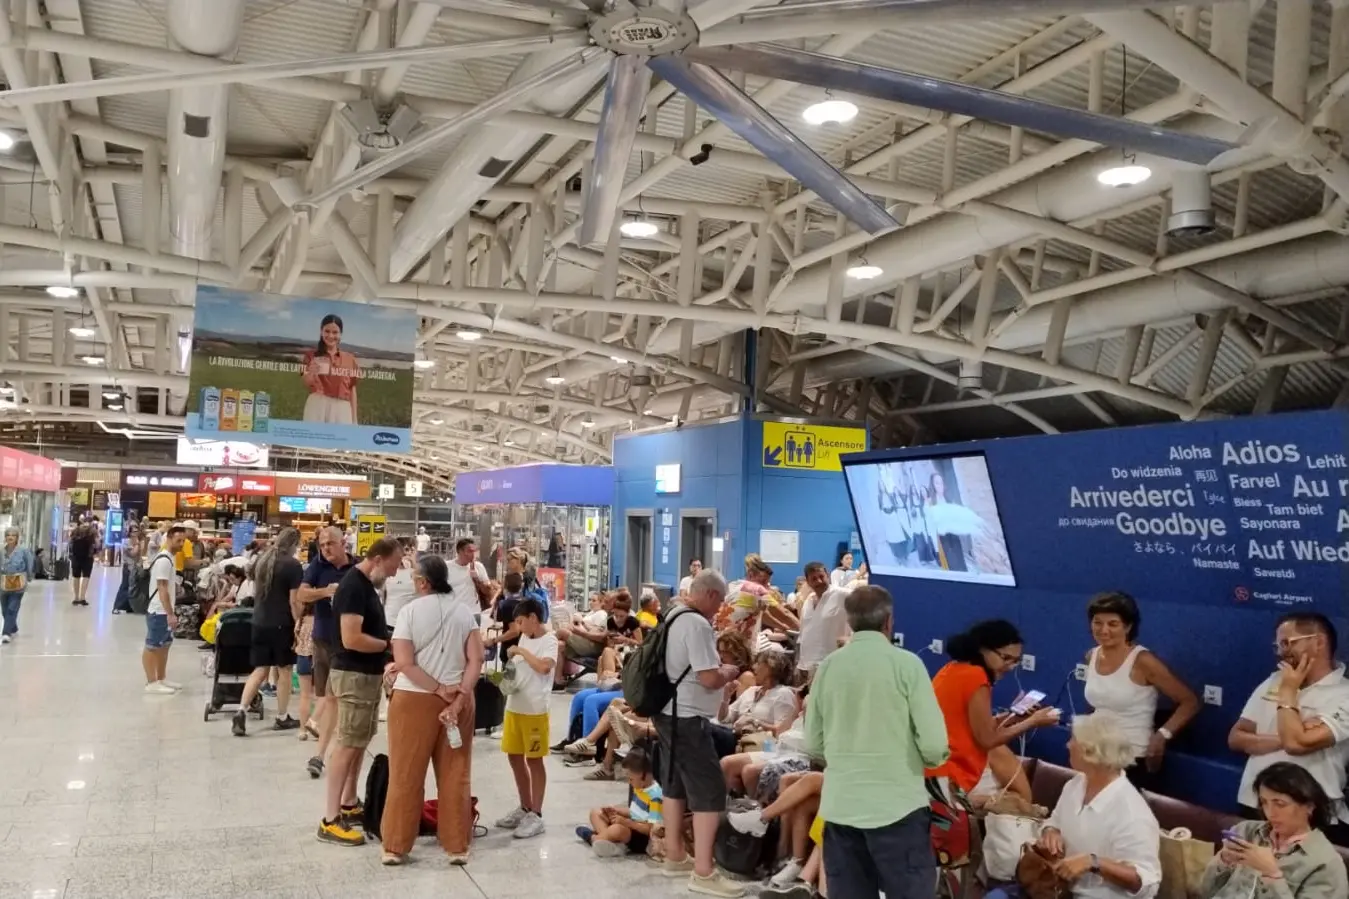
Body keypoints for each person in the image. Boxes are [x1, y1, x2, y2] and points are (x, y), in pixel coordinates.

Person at [806, 585, 950, 899]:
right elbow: (934, 745)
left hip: (841, 808)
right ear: (888, 622)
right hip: (898, 809)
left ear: (850, 622)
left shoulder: (829, 667)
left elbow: (813, 743)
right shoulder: (907, 665)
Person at [984, 714, 1161, 899]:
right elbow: (1054, 821)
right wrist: (1051, 832)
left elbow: (1147, 884)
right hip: (1054, 889)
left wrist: (1093, 862)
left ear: (1091, 751)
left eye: (1073, 739)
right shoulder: (1075, 784)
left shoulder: (1132, 813)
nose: (1068, 745)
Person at [380, 554, 484, 866]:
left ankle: (396, 845)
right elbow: (476, 660)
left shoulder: (409, 612)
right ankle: (457, 845)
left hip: (414, 699)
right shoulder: (464, 612)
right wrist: (459, 697)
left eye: (414, 578)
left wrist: (436, 688)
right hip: (458, 702)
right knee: (456, 773)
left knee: (406, 773)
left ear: (424, 582)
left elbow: (405, 663)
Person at [654, 568, 747, 898]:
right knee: (710, 790)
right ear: (710, 595)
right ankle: (704, 872)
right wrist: (730, 670)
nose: (720, 607)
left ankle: (674, 852)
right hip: (689, 718)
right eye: (720, 600)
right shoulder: (696, 623)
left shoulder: (673, 613)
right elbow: (708, 677)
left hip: (667, 713)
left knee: (674, 784)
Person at [1229, 612, 1349, 844]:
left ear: (1319, 642)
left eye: (1287, 643)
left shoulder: (1344, 694)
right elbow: (1236, 737)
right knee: (1249, 875)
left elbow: (1297, 744)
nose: (1281, 652)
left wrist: (1287, 692)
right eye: (1278, 645)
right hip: (1254, 803)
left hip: (1311, 811)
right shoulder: (1273, 680)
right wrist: (1289, 734)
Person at [316, 537, 401, 847]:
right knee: (347, 744)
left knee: (358, 741)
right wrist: (388, 645)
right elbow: (351, 638)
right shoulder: (353, 586)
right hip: (353, 674)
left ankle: (349, 802)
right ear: (377, 559)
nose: (393, 573)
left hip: (364, 675)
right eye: (392, 566)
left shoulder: (364, 585)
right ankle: (330, 820)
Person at [928, 619, 1060, 799]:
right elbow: (987, 740)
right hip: (950, 774)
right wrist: (1032, 721)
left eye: (1015, 661)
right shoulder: (976, 677)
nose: (1009, 667)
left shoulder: (953, 669)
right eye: (1005, 658)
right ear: (982, 649)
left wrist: (1015, 716)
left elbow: (977, 725)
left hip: (935, 770)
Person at [1082, 591, 1200, 781]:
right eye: (1097, 623)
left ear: (1128, 626)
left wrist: (1161, 736)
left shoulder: (1143, 661)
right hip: (1097, 754)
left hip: (1132, 757)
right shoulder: (1091, 655)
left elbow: (1189, 702)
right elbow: (1098, 705)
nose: (1104, 630)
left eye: (1112, 624)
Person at [1199, 761, 1349, 899]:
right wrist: (1223, 861)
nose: (1270, 813)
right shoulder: (1245, 831)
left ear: (1309, 806)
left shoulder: (1325, 863)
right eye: (1264, 802)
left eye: (1280, 804)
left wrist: (1272, 875)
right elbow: (1205, 892)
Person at [495, 597, 557, 840]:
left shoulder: (549, 640)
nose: (518, 627)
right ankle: (525, 806)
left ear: (533, 618)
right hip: (515, 706)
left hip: (535, 710)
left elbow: (544, 667)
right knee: (515, 757)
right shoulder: (525, 637)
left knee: (534, 760)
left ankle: (537, 813)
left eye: (521, 622)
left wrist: (521, 650)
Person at [232, 527, 303, 736]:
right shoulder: (293, 565)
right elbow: (293, 601)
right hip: (282, 624)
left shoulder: (262, 561)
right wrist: (299, 623)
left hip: (259, 622)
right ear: (294, 544)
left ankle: (241, 711)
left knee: (261, 670)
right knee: (285, 671)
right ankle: (281, 717)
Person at [297, 526, 355, 778]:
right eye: (322, 545)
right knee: (330, 696)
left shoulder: (357, 568)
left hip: (352, 643)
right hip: (324, 641)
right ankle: (323, 754)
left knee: (341, 698)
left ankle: (328, 753)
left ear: (344, 543)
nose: (326, 549)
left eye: (330, 543)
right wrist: (327, 591)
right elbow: (301, 594)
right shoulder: (317, 566)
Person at [576, 747, 663, 858]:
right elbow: (634, 812)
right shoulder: (640, 786)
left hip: (640, 837)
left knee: (617, 829)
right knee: (596, 812)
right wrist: (616, 810)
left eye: (631, 779)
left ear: (643, 776)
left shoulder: (655, 797)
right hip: (631, 824)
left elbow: (651, 829)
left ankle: (592, 838)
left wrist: (626, 822)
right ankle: (610, 841)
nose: (629, 782)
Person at [143, 526, 186, 694]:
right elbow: (162, 589)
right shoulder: (163, 561)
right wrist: (170, 614)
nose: (181, 544)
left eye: (183, 541)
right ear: (168, 539)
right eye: (178, 541)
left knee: (165, 645)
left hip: (165, 610)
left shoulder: (170, 559)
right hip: (159, 611)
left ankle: (161, 677)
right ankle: (151, 682)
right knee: (152, 645)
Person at [795, 561, 850, 680]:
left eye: (821, 577)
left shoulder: (843, 594)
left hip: (832, 664)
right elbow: (804, 631)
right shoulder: (808, 601)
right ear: (808, 582)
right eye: (814, 579)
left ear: (828, 575)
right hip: (807, 665)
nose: (819, 581)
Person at [301, 312, 360, 424]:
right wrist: (311, 373)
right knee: (314, 440)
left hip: (342, 408)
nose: (331, 336)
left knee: (341, 440)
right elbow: (306, 382)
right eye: (327, 331)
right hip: (317, 405)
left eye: (335, 332)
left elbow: (352, 389)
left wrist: (354, 419)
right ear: (321, 331)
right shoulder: (310, 355)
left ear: (341, 334)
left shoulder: (350, 359)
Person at [1, 527, 35, 643]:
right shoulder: (1, 551)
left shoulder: (23, 551)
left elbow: (29, 564)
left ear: (17, 538)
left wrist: (29, 577)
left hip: (18, 584)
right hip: (3, 583)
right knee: (4, 609)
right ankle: (13, 626)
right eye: (8, 535)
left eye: (13, 535)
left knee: (12, 608)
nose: (10, 537)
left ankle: (6, 633)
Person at [447, 537, 492, 613]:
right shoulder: (447, 567)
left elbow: (488, 591)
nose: (473, 554)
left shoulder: (478, 566)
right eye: (470, 551)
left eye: (474, 551)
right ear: (460, 551)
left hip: (473, 612)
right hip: (453, 613)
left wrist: (477, 579)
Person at [68, 515, 97, 606]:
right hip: (88, 556)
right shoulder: (92, 530)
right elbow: (96, 543)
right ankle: (82, 597)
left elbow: (70, 542)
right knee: (86, 576)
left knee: (76, 576)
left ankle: (76, 597)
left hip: (76, 556)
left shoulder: (76, 530)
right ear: (91, 522)